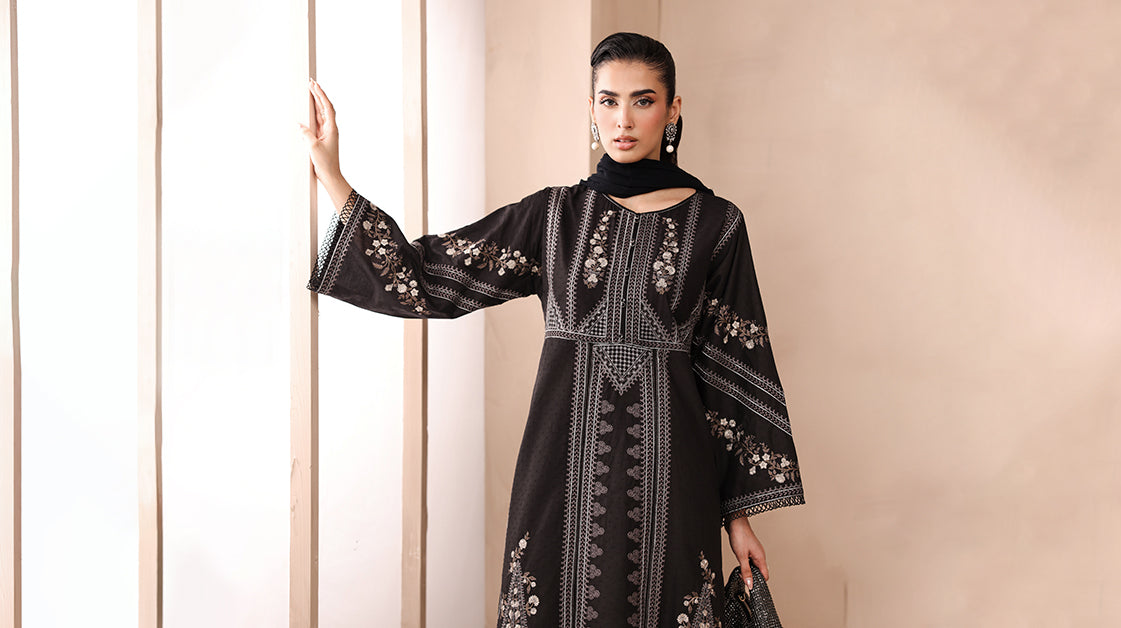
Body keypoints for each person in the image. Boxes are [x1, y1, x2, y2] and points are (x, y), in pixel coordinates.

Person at [298, 31, 805, 627]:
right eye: (608, 101)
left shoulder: (716, 224)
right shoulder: (555, 216)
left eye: (643, 101)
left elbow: (730, 373)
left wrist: (737, 520)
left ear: (672, 110)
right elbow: (433, 276)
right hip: (559, 478)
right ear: (591, 109)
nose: (623, 120)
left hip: (673, 484)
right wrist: (334, 177)